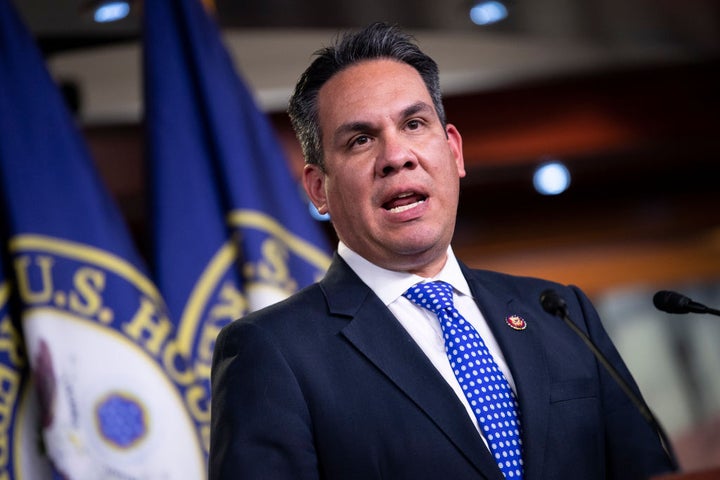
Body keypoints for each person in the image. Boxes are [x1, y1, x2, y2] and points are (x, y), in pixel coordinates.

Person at [209, 22, 678, 480]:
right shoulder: (271, 352)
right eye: (361, 140)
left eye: (414, 124)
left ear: (453, 151)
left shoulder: (560, 312)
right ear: (318, 190)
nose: (397, 156)